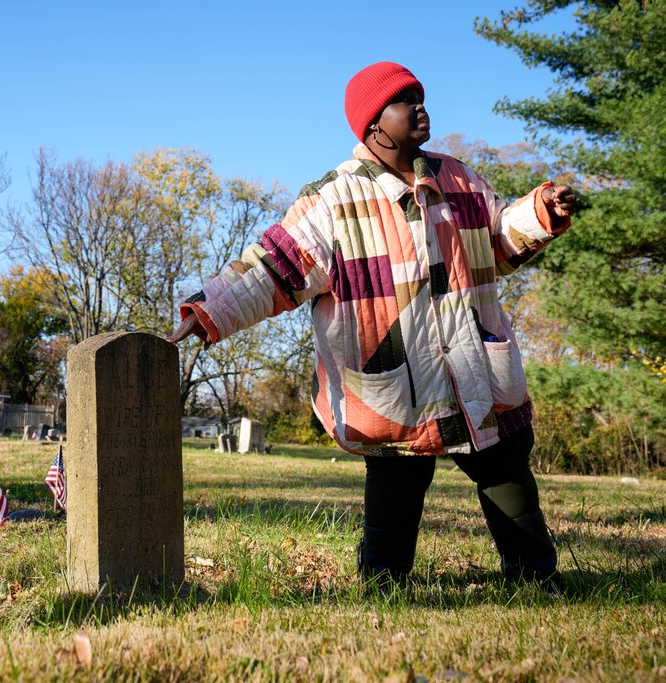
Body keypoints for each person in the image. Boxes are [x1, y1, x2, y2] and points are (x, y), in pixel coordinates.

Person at [167, 61, 576, 589]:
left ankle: (536, 578)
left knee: (504, 465)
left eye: (420, 96)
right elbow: (272, 268)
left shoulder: (459, 178)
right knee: (397, 481)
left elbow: (498, 236)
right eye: (405, 100)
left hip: (476, 369)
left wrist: (539, 212)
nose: (420, 106)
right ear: (374, 122)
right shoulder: (332, 200)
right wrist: (210, 310)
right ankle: (384, 584)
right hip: (396, 386)